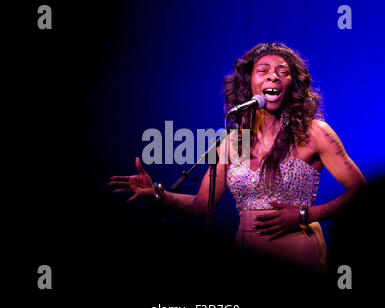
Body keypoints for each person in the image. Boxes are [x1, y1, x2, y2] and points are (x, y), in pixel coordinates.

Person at [108, 42, 366, 275]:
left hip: (297, 248)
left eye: (283, 72)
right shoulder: (235, 141)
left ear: (293, 85)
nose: (273, 75)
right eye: (263, 70)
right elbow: (201, 205)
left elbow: (361, 194)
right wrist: (158, 193)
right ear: (249, 84)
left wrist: (304, 214)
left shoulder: (313, 132)